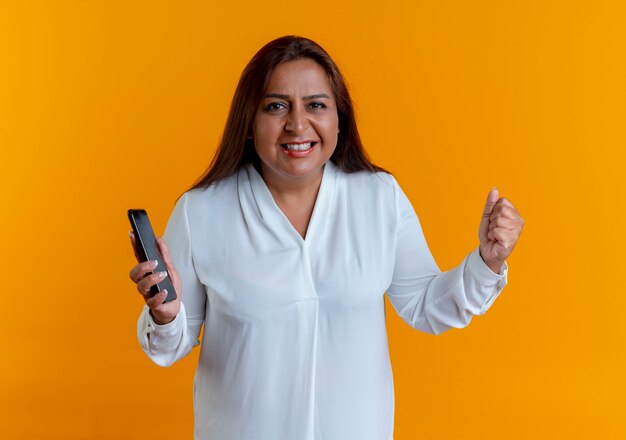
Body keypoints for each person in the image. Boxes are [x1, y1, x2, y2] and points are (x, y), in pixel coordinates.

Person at [128, 35, 524, 440]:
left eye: (316, 105)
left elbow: (425, 306)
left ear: (340, 120)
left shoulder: (379, 197)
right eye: (276, 106)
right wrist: (165, 314)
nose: (297, 125)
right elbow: (168, 346)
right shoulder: (201, 212)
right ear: (248, 122)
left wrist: (487, 262)